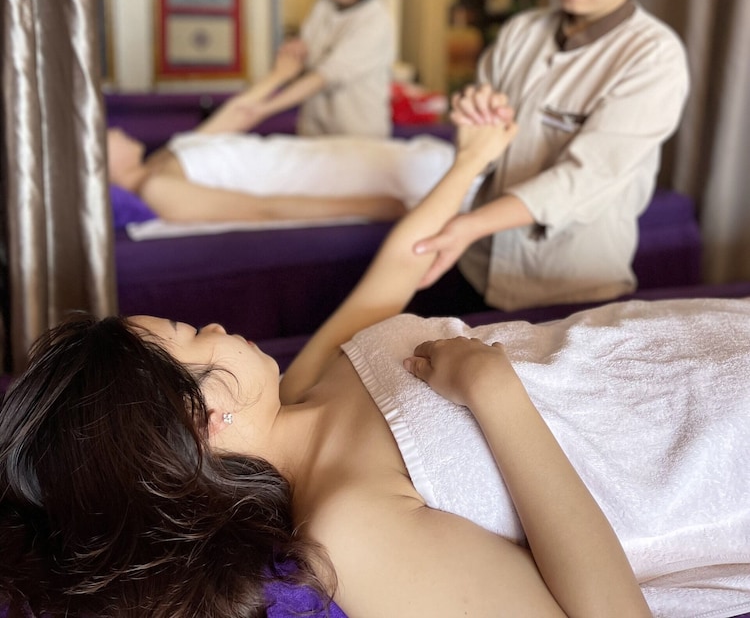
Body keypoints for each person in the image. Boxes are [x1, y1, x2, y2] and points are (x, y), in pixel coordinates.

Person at [0, 114, 665, 618]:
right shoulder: (348, 531)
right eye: (192, 335)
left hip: (653, 345)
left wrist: (472, 159)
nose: (213, 326)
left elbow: (399, 266)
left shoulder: (303, 387)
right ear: (202, 418)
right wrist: (495, 395)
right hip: (680, 442)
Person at [415, 0, 691, 311]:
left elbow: (584, 178)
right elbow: (481, 141)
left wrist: (471, 225)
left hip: (568, 288)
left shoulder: (653, 56)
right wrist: (472, 108)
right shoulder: (521, 32)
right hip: (477, 267)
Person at [107, 71, 454, 226]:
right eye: (106, 135)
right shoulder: (157, 189)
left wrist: (279, 74)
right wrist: (369, 207)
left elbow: (237, 116)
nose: (116, 129)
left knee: (413, 158)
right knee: (421, 172)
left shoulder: (160, 159)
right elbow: (261, 210)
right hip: (307, 178)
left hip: (305, 155)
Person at [209, 0, 396, 140]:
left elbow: (323, 76)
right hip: (313, 132)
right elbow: (305, 49)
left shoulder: (375, 20)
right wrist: (295, 49)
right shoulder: (324, 4)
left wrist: (264, 109)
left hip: (358, 137)